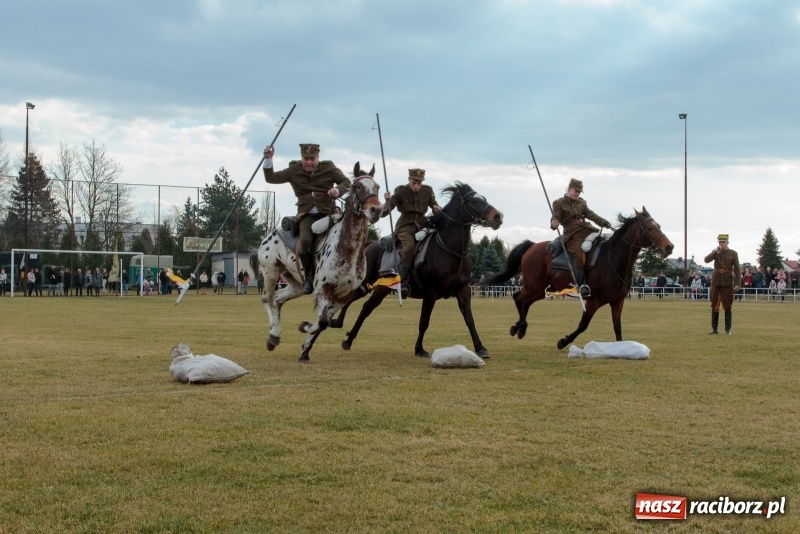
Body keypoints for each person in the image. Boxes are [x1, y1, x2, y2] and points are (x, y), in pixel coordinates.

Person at [262, 143, 352, 294]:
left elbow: (347, 182)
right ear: (301, 158)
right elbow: (271, 178)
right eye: (306, 158)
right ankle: (309, 277)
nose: (309, 162)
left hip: (329, 213)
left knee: (350, 237)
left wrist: (337, 190)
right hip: (307, 215)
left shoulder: (329, 168)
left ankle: (353, 276)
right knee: (305, 242)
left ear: (318, 158)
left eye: (312, 159)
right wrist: (268, 159)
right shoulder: (294, 169)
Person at [381, 168, 442, 298]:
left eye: (419, 183)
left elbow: (434, 205)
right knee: (409, 247)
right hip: (405, 227)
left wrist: (437, 208)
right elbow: (384, 213)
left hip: (423, 226)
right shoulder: (401, 191)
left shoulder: (427, 190)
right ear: (409, 179)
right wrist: (386, 201)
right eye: (414, 182)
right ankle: (402, 281)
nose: (416, 186)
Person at [550, 178, 612, 297]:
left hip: (587, 230)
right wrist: (554, 223)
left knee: (603, 245)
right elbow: (556, 216)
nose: (578, 194)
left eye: (579, 192)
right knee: (579, 254)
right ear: (569, 189)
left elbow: (591, 215)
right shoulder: (558, 203)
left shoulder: (582, 202)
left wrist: (603, 222)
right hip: (572, 235)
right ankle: (581, 284)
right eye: (576, 191)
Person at [703, 234, 741, 335]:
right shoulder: (715, 252)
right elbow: (706, 260)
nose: (721, 244)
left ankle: (728, 329)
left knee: (727, 305)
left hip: (727, 282)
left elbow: (737, 270)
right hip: (716, 282)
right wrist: (715, 251)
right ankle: (714, 329)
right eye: (720, 242)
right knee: (714, 304)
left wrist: (737, 283)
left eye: (723, 242)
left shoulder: (733, 253)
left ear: (727, 242)